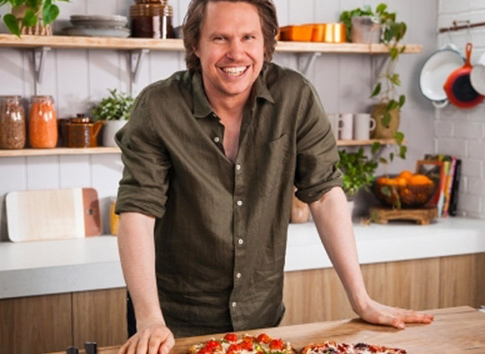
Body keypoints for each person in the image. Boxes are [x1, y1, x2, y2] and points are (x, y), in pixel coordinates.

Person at [115, 1, 434, 354]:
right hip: (171, 324)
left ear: (265, 43)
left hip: (260, 321)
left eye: (248, 37)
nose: (235, 53)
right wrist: (149, 320)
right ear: (195, 44)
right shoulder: (159, 106)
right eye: (220, 38)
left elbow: (325, 194)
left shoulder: (294, 97)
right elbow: (137, 213)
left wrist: (361, 300)